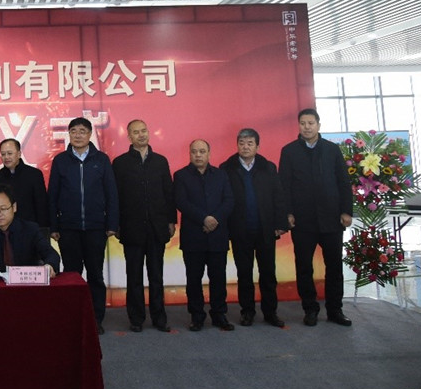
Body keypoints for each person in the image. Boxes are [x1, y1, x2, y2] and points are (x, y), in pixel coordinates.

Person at [279, 108, 353, 327]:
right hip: (303, 220)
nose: (307, 127)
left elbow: (343, 182)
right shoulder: (289, 151)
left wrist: (346, 211)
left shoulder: (332, 149)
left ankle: (335, 310)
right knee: (304, 267)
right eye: (303, 123)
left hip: (331, 218)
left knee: (334, 267)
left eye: (311, 123)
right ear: (299, 126)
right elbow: (284, 186)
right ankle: (310, 309)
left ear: (318, 125)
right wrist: (287, 213)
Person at [48, 116, 119, 335]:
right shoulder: (61, 161)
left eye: (82, 131)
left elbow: (111, 194)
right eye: (74, 131)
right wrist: (54, 226)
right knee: (71, 276)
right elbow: (52, 196)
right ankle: (72, 318)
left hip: (96, 228)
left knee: (96, 275)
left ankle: (96, 319)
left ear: (90, 135)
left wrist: (112, 223)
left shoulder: (102, 160)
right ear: (68, 134)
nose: (78, 135)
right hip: (68, 228)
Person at [112, 119, 176, 333]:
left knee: (156, 276)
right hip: (131, 228)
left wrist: (171, 220)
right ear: (129, 137)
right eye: (136, 132)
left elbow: (169, 193)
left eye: (143, 131)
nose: (141, 135)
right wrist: (116, 224)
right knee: (134, 276)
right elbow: (115, 197)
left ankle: (159, 318)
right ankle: (136, 318)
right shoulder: (120, 163)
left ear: (148, 133)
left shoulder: (160, 161)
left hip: (157, 227)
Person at [220, 128, 289, 328]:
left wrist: (280, 223)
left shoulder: (268, 167)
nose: (245, 147)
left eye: (250, 143)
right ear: (237, 145)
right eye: (242, 143)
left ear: (257, 146)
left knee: (268, 273)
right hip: (239, 229)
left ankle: (270, 312)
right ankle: (247, 312)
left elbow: (278, 196)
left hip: (265, 229)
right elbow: (223, 198)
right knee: (244, 274)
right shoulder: (226, 168)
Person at [174, 139, 234, 332]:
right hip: (193, 236)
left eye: (202, 151)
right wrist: (204, 219)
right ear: (189, 154)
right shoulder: (181, 176)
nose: (198, 155)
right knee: (193, 279)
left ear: (209, 153)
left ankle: (219, 314)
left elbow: (229, 200)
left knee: (218, 278)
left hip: (218, 235)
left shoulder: (221, 175)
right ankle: (197, 316)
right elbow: (181, 202)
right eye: (194, 152)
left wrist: (215, 219)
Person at [0, 184, 60, 278]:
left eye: (3, 209)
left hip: (27, 283)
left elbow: (52, 255)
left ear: (14, 207)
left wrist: (50, 265)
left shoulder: (31, 230)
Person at [0, 138, 49, 232]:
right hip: (3, 231)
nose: (6, 157)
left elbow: (41, 206)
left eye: (10, 153)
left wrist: (43, 231)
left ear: (19, 154)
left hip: (29, 230)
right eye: (3, 154)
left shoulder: (34, 175)